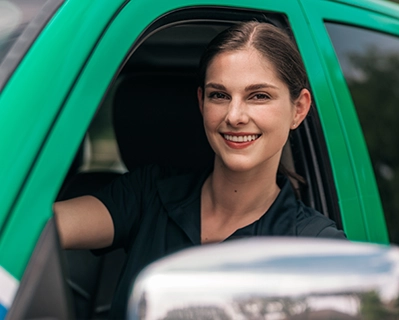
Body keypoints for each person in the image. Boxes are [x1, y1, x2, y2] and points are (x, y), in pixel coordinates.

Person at [54, 21, 345, 319]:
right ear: (201, 102)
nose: (234, 116)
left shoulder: (315, 247)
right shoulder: (150, 192)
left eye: (259, 96)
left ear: (299, 109)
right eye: (219, 95)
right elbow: (32, 228)